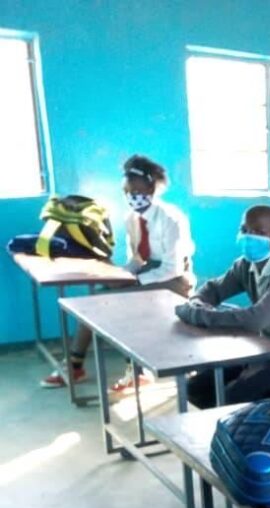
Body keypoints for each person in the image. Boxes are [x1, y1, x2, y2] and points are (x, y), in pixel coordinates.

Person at [41, 155, 196, 390]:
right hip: (147, 273)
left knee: (120, 302)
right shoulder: (132, 218)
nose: (133, 196)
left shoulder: (171, 218)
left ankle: (137, 371)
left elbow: (172, 268)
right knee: (94, 300)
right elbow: (137, 258)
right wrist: (120, 276)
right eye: (128, 192)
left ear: (152, 188)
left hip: (175, 280)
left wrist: (133, 281)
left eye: (138, 190)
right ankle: (75, 366)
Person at [174, 205, 270, 408]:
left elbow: (255, 319)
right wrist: (198, 302)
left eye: (260, 232)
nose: (249, 236)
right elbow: (214, 289)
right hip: (261, 349)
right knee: (196, 388)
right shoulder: (245, 265)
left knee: (230, 398)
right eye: (245, 230)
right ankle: (229, 428)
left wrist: (199, 315)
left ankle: (238, 427)